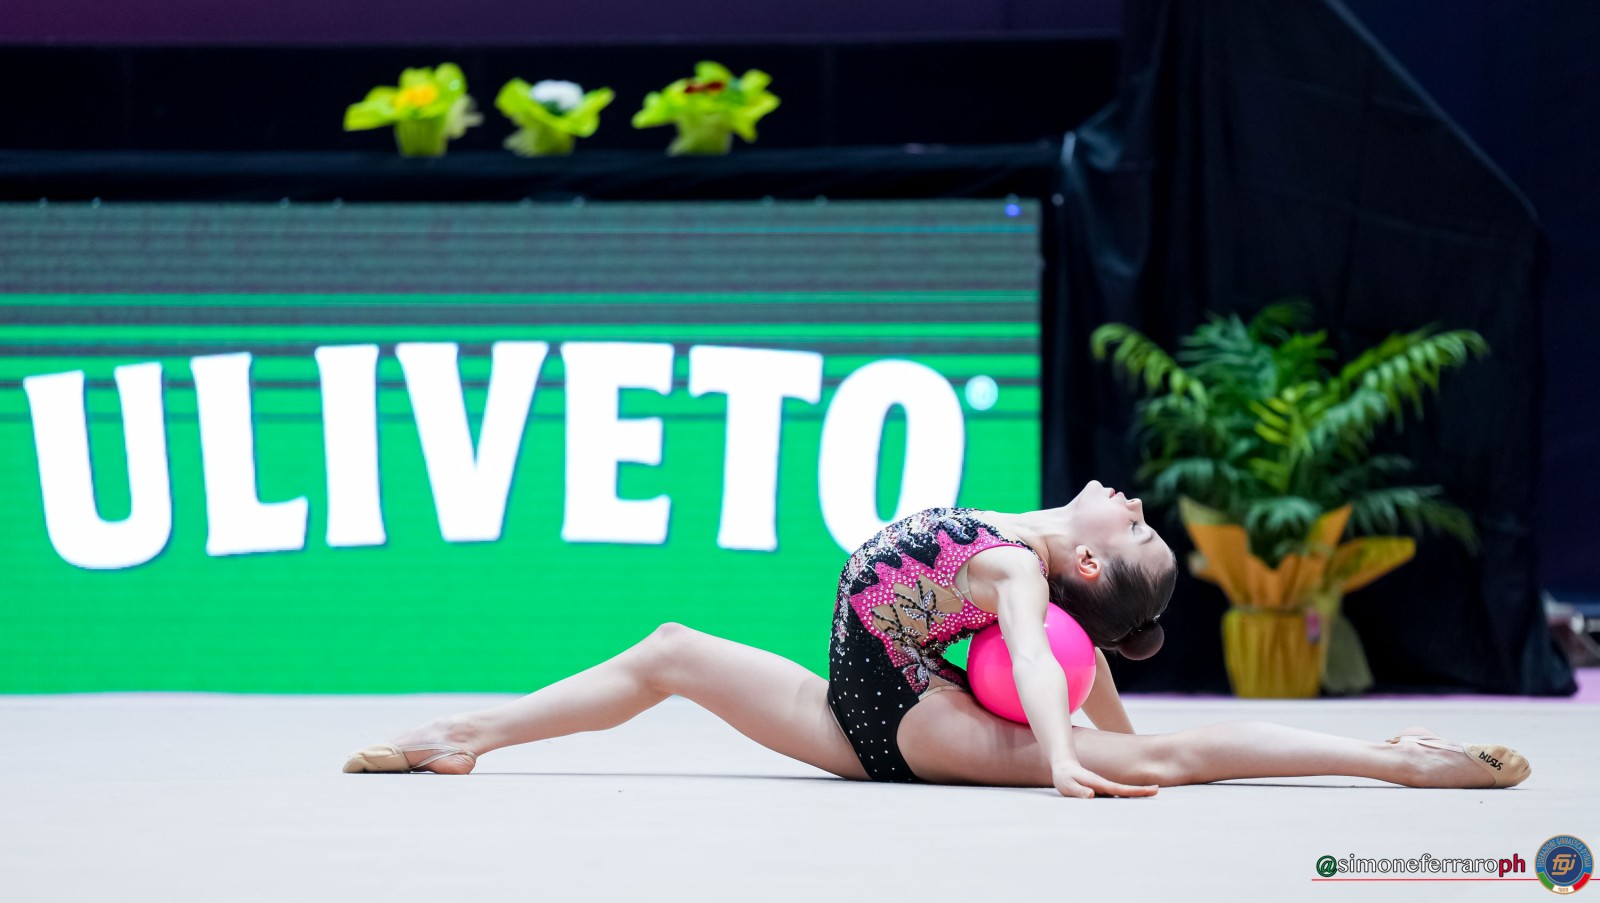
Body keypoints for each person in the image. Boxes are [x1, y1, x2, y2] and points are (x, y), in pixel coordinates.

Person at [342, 480, 1530, 795]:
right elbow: (1067, 659)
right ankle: (465, 735)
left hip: (918, 726)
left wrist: (1063, 757)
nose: (1132, 503)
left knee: (1159, 759)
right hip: (847, 710)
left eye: (1135, 531)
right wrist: (1092, 731)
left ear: (1086, 567)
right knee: (669, 648)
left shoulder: (1014, 568)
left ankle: (1398, 762)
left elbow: (1035, 651)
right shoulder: (1021, 532)